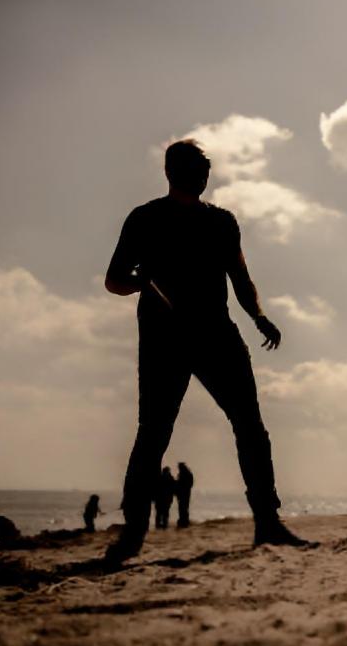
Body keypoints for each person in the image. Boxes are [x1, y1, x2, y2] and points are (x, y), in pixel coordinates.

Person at [103, 139, 310, 563]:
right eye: (196, 170)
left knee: (248, 425)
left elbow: (240, 276)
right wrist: (145, 281)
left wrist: (257, 316)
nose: (202, 177)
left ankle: (267, 523)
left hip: (216, 333)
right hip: (166, 337)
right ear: (175, 173)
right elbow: (115, 279)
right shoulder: (146, 218)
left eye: (204, 170)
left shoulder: (221, 222)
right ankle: (133, 534)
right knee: (156, 432)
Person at [176, 462, 194, 528]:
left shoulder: (185, 474)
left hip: (184, 493)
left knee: (183, 507)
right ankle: (184, 520)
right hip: (184, 493)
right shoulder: (187, 474)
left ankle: (184, 521)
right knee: (184, 507)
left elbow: (189, 484)